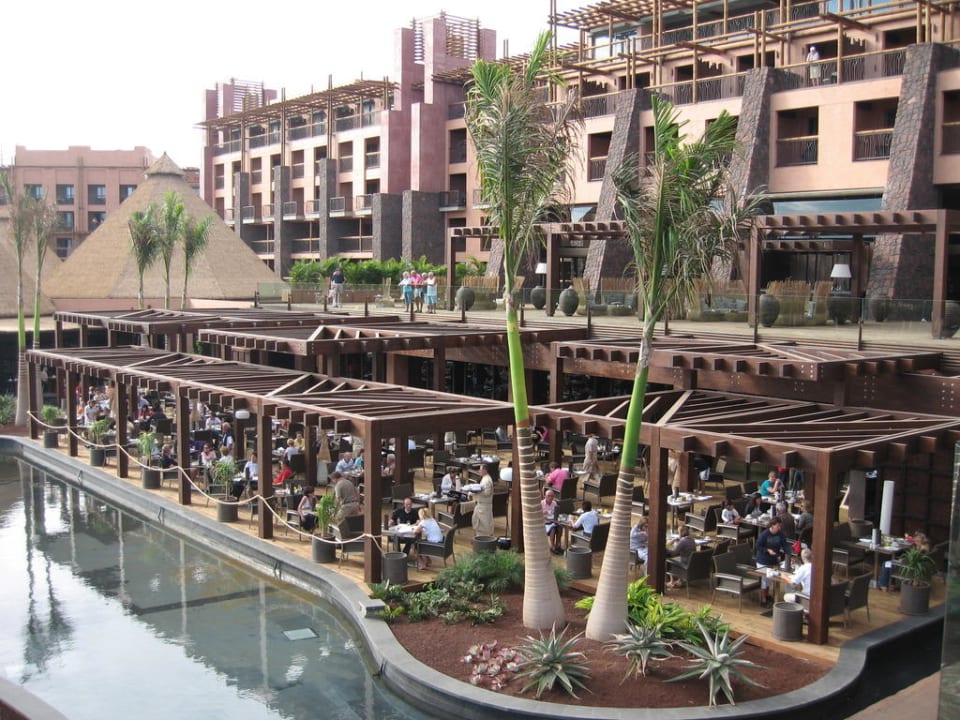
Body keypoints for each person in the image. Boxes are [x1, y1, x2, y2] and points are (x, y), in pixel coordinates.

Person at [756, 518, 789, 605]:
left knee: (769, 580)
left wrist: (789, 554)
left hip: (773, 560)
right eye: (778, 526)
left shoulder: (780, 534)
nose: (779, 528)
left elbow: (785, 545)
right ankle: (763, 600)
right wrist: (767, 550)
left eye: (780, 526)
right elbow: (758, 546)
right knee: (764, 580)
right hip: (763, 560)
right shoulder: (765, 534)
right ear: (772, 526)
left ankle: (766, 595)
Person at [470, 463, 496, 537]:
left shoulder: (487, 480)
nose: (479, 471)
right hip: (480, 504)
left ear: (485, 470)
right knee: (476, 520)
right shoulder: (484, 478)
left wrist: (477, 491)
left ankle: (488, 539)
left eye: (480, 469)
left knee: (486, 523)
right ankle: (478, 537)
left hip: (485, 505)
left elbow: (487, 493)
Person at [542, 489, 561, 554]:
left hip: (553, 521)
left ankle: (558, 545)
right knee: (552, 529)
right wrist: (542, 513)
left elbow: (556, 513)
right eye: (548, 496)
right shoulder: (541, 503)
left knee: (559, 527)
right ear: (545, 496)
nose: (550, 497)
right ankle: (552, 546)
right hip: (545, 523)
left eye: (552, 496)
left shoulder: (554, 503)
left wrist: (556, 518)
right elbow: (537, 515)